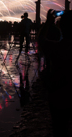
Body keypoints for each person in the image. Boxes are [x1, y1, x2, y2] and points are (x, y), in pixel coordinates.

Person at [38, 9, 72, 137]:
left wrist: (48, 22)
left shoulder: (56, 48)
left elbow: (41, 39)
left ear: (61, 28)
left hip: (58, 96)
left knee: (59, 130)